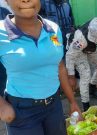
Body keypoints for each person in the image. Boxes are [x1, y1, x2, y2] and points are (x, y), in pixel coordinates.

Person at [0, 0, 81, 134]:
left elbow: (59, 66)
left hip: (54, 106)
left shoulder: (53, 29)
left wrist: (72, 102)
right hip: (21, 111)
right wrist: (1, 105)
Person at [66, 17, 97, 111]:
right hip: (78, 50)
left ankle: (92, 87)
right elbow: (70, 56)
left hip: (92, 47)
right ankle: (86, 106)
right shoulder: (79, 39)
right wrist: (71, 76)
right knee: (85, 75)